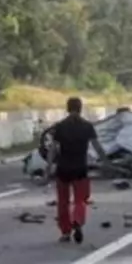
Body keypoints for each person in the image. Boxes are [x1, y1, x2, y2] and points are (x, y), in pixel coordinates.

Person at [46, 96, 108, 244]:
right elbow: (96, 146)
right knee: (80, 199)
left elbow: (53, 149)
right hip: (80, 167)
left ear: (68, 109)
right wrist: (106, 161)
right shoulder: (87, 126)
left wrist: (48, 166)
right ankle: (78, 220)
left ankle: (66, 232)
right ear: (80, 108)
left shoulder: (60, 126)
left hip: (63, 168)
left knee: (63, 202)